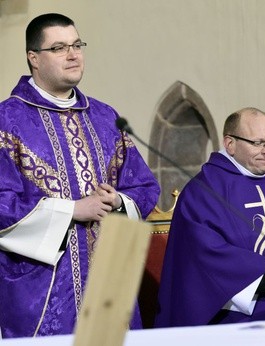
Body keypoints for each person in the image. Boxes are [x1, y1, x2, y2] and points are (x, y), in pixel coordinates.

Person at [0, 13, 160, 338]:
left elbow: (143, 186)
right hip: (40, 287)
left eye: (77, 45)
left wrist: (118, 201)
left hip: (108, 283)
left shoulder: (105, 117)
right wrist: (73, 210)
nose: (73, 55)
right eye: (59, 48)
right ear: (34, 58)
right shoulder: (8, 121)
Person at [155, 107, 265, 327]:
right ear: (230, 144)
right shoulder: (203, 190)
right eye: (258, 143)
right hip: (234, 322)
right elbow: (201, 254)